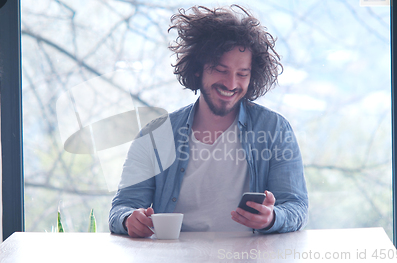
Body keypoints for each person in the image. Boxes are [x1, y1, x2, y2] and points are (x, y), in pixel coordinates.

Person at [109, 5, 308, 237]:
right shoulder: (155, 135)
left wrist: (273, 218)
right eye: (221, 70)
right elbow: (123, 207)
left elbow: (296, 207)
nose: (231, 83)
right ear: (197, 70)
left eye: (242, 74)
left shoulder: (274, 129)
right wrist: (128, 220)